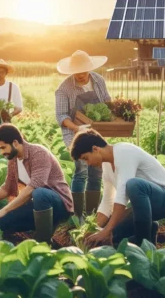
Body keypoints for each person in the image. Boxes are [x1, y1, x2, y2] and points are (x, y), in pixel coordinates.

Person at [70, 129, 165, 247]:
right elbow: (107, 202)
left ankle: (143, 244)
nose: (88, 163)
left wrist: (106, 230)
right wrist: (95, 229)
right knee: (115, 234)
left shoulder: (124, 152)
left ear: (95, 149)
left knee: (134, 185)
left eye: (86, 158)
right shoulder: (106, 166)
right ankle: (150, 228)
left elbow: (122, 196)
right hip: (143, 208)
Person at [0, 124, 73, 243]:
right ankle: (36, 234)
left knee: (39, 193)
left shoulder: (38, 153)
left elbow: (33, 188)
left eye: (3, 147)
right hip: (38, 207)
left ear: (15, 142)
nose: (1, 152)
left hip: (59, 205)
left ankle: (45, 241)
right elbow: (7, 188)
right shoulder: (13, 160)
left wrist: (4, 210)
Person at [55, 50, 110, 221]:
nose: (80, 75)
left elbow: (107, 102)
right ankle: (78, 215)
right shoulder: (64, 88)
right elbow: (61, 116)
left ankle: (92, 214)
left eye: (83, 71)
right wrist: (77, 129)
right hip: (75, 133)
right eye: (76, 72)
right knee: (81, 170)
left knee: (97, 171)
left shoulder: (98, 80)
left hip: (96, 133)